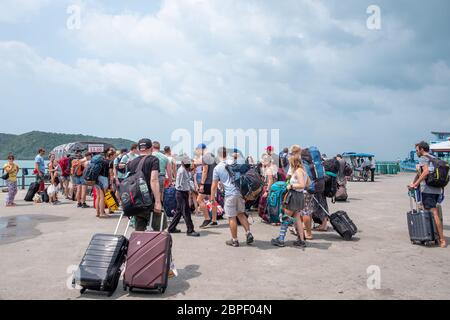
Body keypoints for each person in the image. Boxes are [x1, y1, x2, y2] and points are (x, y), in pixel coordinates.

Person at [211, 147, 254, 247]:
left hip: (229, 195)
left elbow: (214, 185)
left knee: (231, 217)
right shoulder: (234, 163)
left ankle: (234, 240)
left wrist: (212, 198)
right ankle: (248, 233)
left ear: (218, 155)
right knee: (241, 214)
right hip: (239, 193)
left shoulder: (217, 168)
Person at [409, 141, 446, 248]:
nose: (416, 152)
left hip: (428, 190)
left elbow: (425, 173)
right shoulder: (433, 157)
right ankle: (429, 235)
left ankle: (441, 239)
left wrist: (415, 184)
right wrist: (414, 182)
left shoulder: (423, 158)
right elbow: (420, 173)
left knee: (434, 214)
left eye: (417, 150)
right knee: (430, 213)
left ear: (421, 149)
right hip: (437, 189)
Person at [271, 151, 310, 248]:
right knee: (297, 219)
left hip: (294, 196)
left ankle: (280, 239)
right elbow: (308, 184)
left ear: (293, 162)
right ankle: (301, 240)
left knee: (285, 217)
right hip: (300, 196)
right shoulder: (303, 171)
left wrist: (291, 185)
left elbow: (302, 184)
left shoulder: (298, 171)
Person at [126, 138, 163, 231]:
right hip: (149, 199)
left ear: (139, 149)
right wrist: (158, 202)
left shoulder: (132, 162)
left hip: (137, 199)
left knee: (139, 230)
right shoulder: (153, 160)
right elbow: (154, 180)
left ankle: (138, 245)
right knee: (158, 229)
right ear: (151, 148)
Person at [167, 156, 200, 237]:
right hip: (181, 193)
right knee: (186, 212)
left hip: (182, 192)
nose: (189, 165)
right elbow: (181, 184)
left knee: (179, 212)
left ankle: (171, 228)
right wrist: (191, 190)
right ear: (183, 163)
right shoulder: (182, 171)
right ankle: (190, 230)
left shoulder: (184, 169)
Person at [197, 144, 218, 229]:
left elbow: (205, 171)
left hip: (207, 182)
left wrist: (202, 184)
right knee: (212, 200)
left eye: (198, 149)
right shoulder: (213, 156)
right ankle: (214, 220)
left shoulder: (205, 157)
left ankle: (207, 218)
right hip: (214, 181)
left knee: (199, 199)